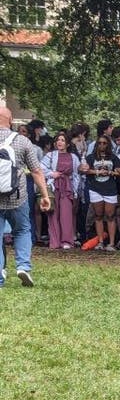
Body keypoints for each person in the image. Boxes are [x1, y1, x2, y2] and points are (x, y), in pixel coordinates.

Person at [0, 106, 52, 287]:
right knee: (22, 230)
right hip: (18, 196)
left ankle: (0, 273)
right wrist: (45, 195)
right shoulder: (22, 141)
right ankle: (23, 266)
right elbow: (36, 171)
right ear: (11, 119)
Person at [40, 132, 78, 249]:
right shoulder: (50, 155)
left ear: (67, 143)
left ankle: (66, 241)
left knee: (66, 214)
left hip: (67, 187)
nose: (59, 142)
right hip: (53, 186)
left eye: (62, 140)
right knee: (53, 213)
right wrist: (52, 174)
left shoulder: (73, 157)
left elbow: (77, 175)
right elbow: (40, 168)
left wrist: (76, 191)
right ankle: (55, 241)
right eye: (58, 140)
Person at [82, 135, 120, 251]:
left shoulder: (113, 157)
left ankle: (112, 243)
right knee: (98, 215)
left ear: (108, 144)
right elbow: (83, 169)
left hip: (110, 189)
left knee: (110, 216)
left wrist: (113, 172)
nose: (102, 145)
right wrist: (97, 172)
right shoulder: (91, 157)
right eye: (100, 143)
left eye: (104, 143)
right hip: (95, 188)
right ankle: (100, 241)